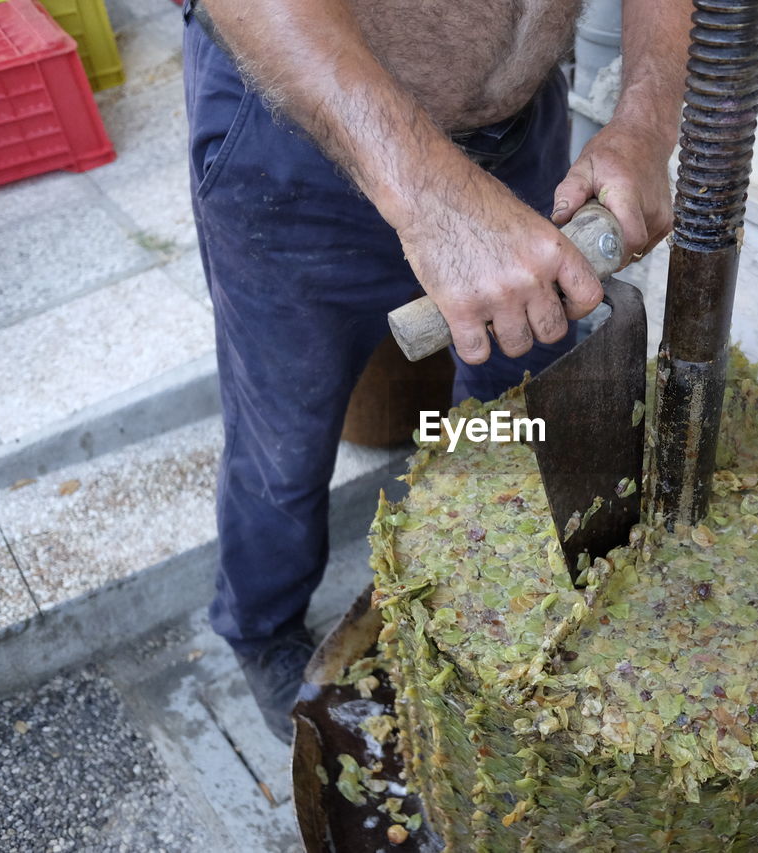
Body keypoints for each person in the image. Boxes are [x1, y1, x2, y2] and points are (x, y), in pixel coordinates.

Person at [180, 0, 692, 741]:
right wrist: (429, 196)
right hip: (293, 130)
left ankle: (477, 593)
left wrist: (647, 120)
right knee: (284, 439)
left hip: (518, 136)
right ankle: (261, 627)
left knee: (514, 415)